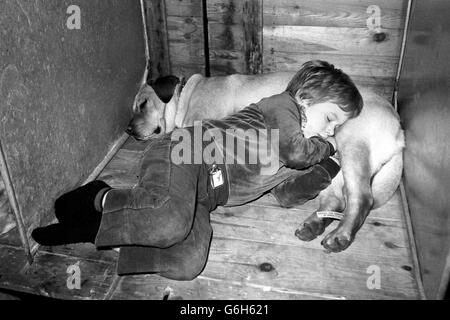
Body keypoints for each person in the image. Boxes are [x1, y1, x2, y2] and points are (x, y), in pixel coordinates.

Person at [32, 61, 363, 280]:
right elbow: (295, 150)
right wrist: (329, 149)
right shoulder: (282, 107)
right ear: (305, 99)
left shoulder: (293, 153)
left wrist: (328, 169)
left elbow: (286, 196)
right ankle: (98, 197)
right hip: (188, 151)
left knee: (186, 263)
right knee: (169, 220)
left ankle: (93, 230)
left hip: (205, 195)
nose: (332, 132)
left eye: (338, 129)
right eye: (331, 119)